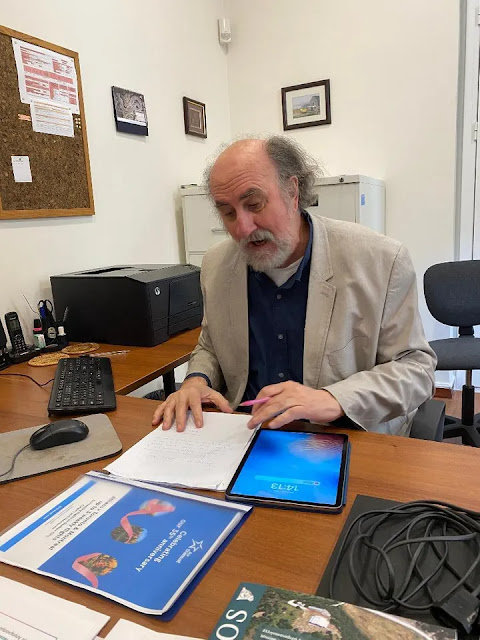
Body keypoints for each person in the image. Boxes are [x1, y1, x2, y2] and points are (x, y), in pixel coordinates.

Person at [152, 136, 436, 435]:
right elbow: (211, 344)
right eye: (228, 212)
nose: (242, 228)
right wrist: (197, 380)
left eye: (254, 204)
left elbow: (416, 369)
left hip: (342, 432)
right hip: (244, 432)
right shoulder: (216, 265)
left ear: (293, 191)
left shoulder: (381, 260)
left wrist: (335, 399)